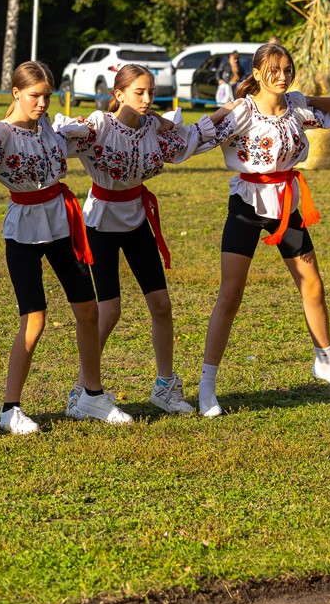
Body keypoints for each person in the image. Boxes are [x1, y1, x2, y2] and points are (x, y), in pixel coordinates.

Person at [59, 63, 236, 418]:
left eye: (150, 92)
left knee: (161, 305)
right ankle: (82, 391)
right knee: (109, 311)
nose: (146, 99)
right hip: (101, 222)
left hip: (137, 219)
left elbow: (189, 136)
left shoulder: (152, 127)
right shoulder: (99, 126)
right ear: (118, 94)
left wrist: (231, 107)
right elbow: (56, 139)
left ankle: (164, 387)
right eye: (138, 92)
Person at [198, 42, 330, 417]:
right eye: (273, 69)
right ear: (256, 73)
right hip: (247, 203)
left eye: (288, 69)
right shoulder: (242, 112)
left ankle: (325, 361)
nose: (282, 76)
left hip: (287, 204)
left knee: (312, 284)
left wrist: (310, 98)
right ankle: (207, 385)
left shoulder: (297, 107)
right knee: (230, 294)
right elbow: (198, 134)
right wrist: (220, 111)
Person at [0, 61, 98, 434]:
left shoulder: (48, 127)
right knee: (35, 318)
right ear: (15, 93)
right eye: (34, 96)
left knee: (88, 310)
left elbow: (80, 133)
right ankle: (10, 408)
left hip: (62, 224)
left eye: (47, 96)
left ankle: (92, 395)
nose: (42, 103)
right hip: (24, 231)